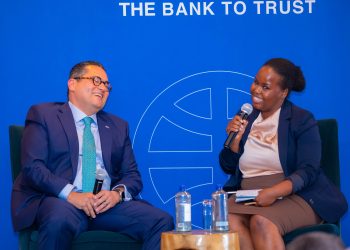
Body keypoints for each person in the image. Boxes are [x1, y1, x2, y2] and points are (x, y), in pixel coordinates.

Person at [11, 61, 174, 250]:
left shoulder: (117, 126)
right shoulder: (44, 115)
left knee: (162, 221)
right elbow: (33, 167)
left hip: (105, 207)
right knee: (58, 219)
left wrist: (116, 194)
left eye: (106, 84)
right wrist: (71, 195)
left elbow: (132, 175)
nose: (103, 88)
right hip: (62, 202)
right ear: (72, 84)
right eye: (96, 80)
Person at [219, 58, 348, 250]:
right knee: (227, 220)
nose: (256, 90)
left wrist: (273, 192)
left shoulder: (301, 120)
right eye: (256, 82)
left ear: (283, 92)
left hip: (296, 195)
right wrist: (234, 143)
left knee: (261, 222)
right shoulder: (246, 115)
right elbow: (227, 166)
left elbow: (309, 170)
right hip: (249, 195)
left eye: (265, 87)